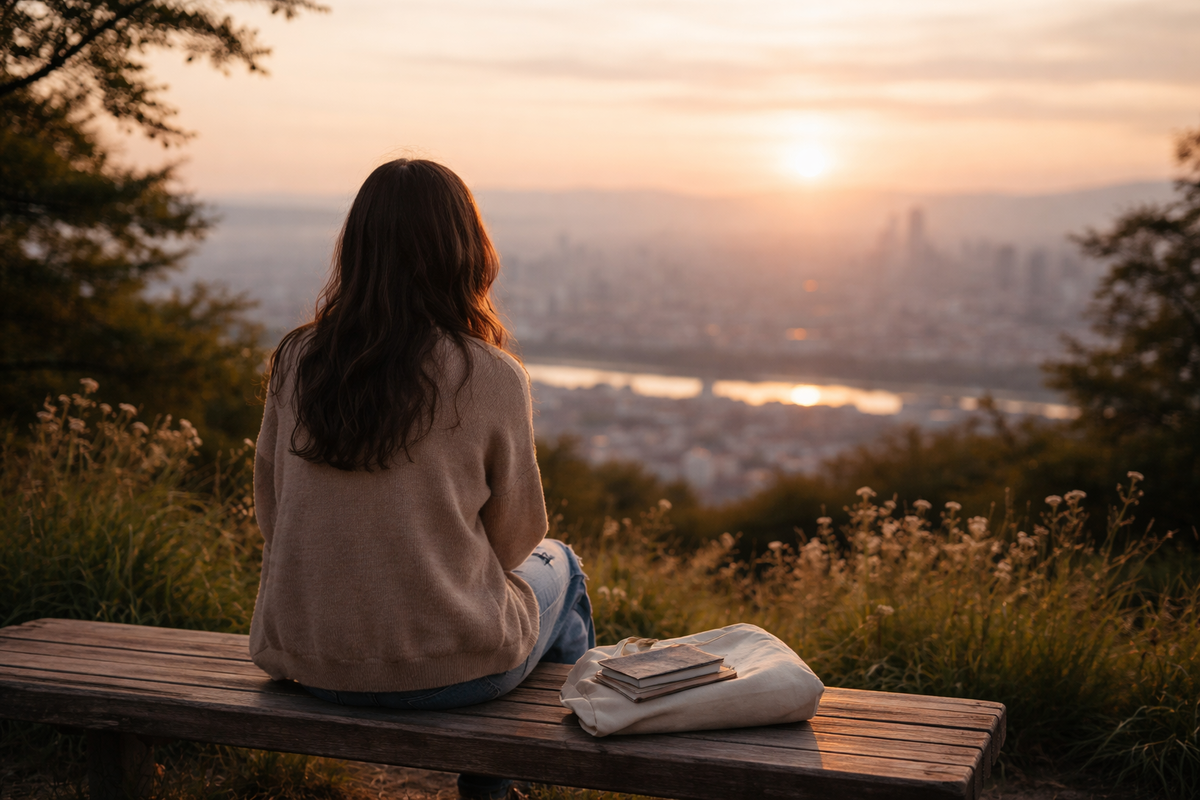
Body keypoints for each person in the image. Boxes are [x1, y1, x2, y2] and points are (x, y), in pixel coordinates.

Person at [248, 159, 595, 800]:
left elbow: (273, 514)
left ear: (357, 248)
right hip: (450, 670)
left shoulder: (297, 359)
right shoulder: (488, 373)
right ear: (465, 250)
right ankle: (510, 785)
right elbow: (519, 539)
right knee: (563, 567)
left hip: (306, 659)